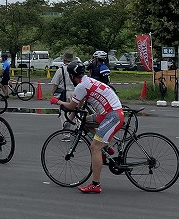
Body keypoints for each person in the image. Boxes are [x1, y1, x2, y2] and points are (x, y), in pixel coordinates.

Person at [49, 62, 124, 193]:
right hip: (110, 113)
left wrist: (58, 101)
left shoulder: (81, 86)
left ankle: (95, 185)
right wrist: (69, 123)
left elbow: (72, 106)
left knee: (94, 147)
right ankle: (107, 148)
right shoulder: (87, 81)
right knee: (86, 122)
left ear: (72, 76)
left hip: (112, 116)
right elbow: (78, 106)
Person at [50, 51, 77, 127]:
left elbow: (55, 84)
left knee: (64, 113)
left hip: (64, 93)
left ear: (64, 60)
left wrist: (52, 94)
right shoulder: (76, 69)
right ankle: (79, 132)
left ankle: (66, 134)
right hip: (76, 92)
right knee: (76, 112)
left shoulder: (61, 70)